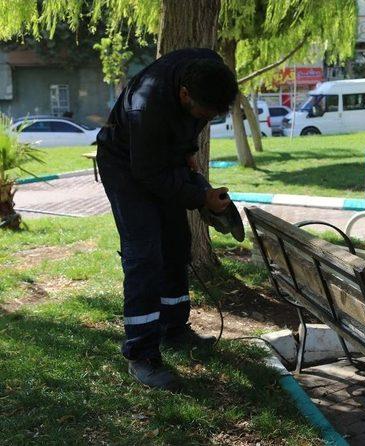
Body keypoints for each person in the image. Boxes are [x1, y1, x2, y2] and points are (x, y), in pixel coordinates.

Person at [96, 48, 238, 389]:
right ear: (184, 94)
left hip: (161, 159)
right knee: (144, 255)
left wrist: (189, 158)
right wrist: (199, 197)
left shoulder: (209, 71)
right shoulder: (147, 107)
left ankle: (174, 329)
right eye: (204, 111)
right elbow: (148, 174)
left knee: (176, 244)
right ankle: (142, 354)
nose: (207, 117)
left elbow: (188, 126)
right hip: (126, 168)